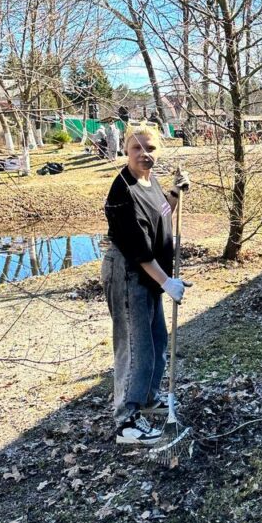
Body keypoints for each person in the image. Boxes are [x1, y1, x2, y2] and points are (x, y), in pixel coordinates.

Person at [101, 123, 190, 445]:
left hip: (149, 274)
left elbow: (161, 215)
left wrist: (176, 195)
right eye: (137, 148)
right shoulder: (123, 191)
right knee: (136, 346)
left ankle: (149, 399)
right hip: (128, 273)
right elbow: (137, 248)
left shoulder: (149, 182)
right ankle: (126, 421)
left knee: (156, 342)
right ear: (126, 150)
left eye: (150, 148)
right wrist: (167, 282)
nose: (144, 154)